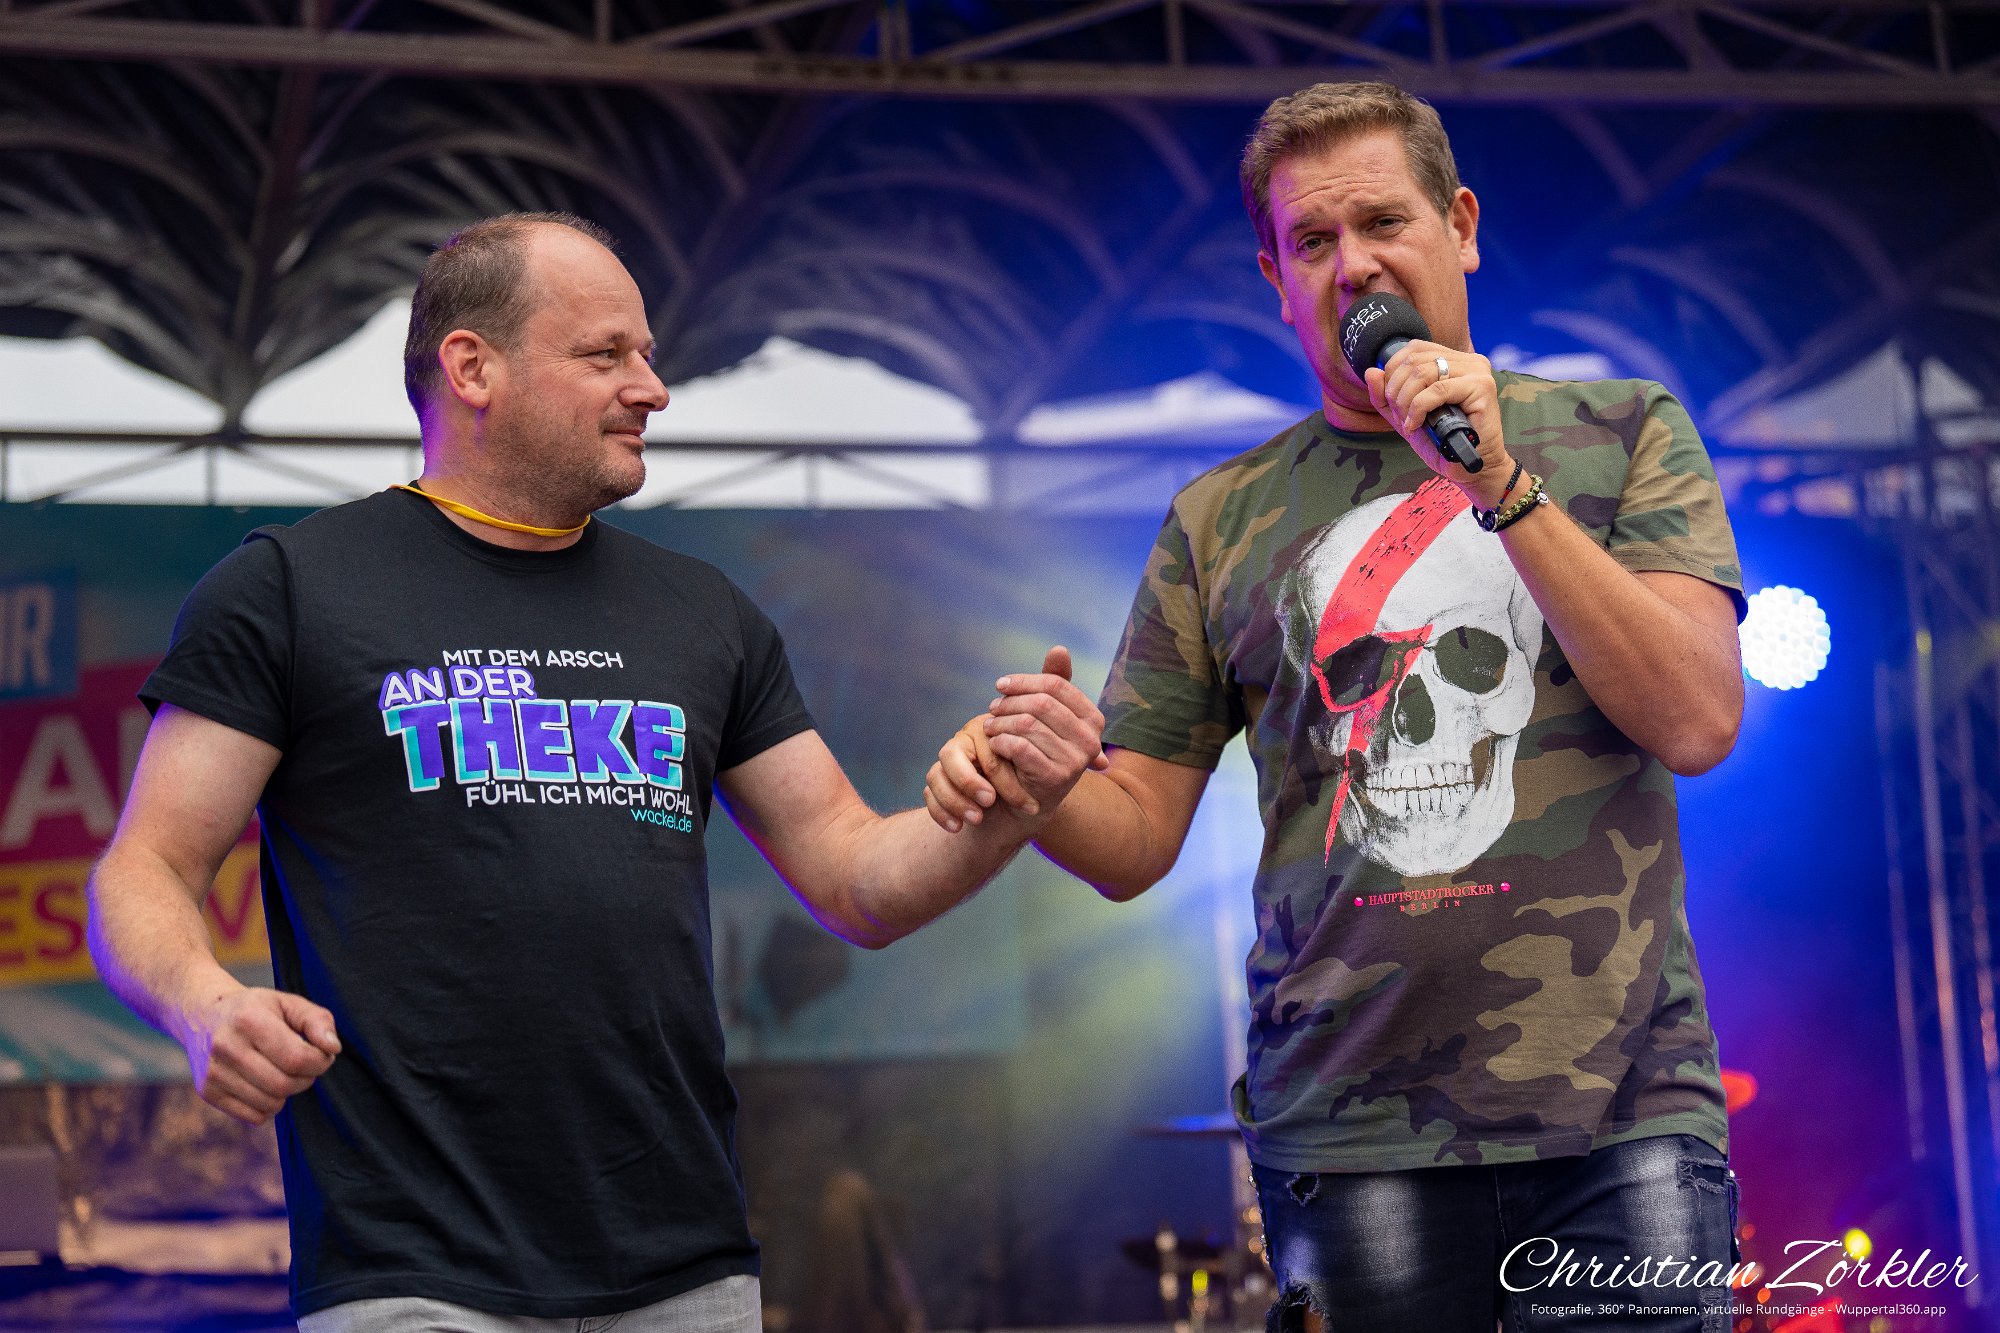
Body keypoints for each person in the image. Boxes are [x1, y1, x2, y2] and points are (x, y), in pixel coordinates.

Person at [85, 212, 1106, 1333]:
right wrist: (205, 1007)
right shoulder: (289, 588)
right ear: (472, 367)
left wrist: (1010, 801)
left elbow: (856, 877)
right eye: (606, 353)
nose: (652, 388)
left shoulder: (703, 613)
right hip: (411, 1269)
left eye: (648, 354)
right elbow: (145, 868)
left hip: (684, 1267)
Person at [927, 82, 1746, 1333]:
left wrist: (1498, 482)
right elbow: (1133, 837)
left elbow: (1695, 720)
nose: (1350, 264)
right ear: (1274, 277)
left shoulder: (1620, 431)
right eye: (1310, 241)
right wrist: (1036, 785)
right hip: (1351, 1131)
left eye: (1380, 222)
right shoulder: (1219, 516)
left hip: (1620, 1117)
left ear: (1459, 225)